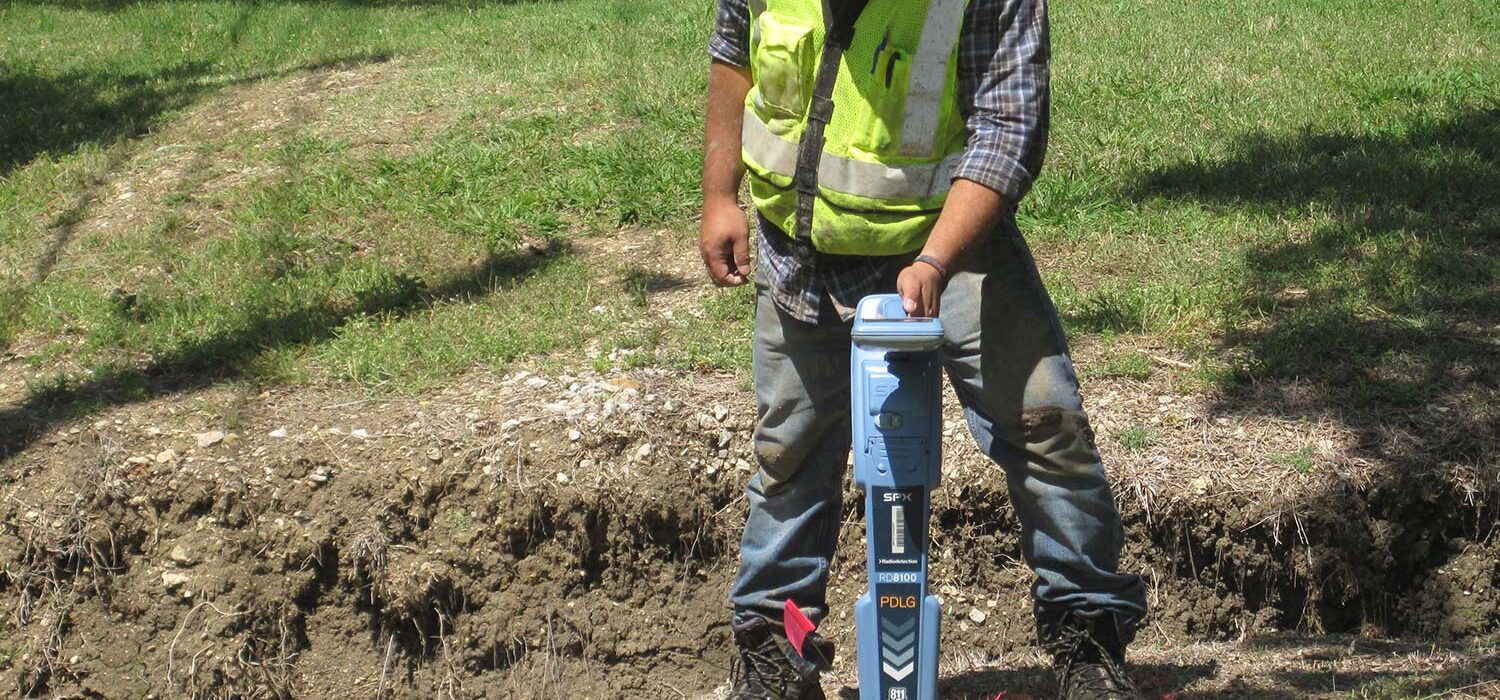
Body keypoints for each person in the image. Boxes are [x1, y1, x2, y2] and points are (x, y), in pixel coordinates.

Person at [699, 0, 1148, 698]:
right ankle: (774, 651)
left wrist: (935, 261)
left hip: (956, 239)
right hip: (802, 251)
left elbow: (1008, 132)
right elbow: (735, 52)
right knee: (789, 456)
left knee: (1044, 424)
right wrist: (719, 195)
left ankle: (1086, 637)